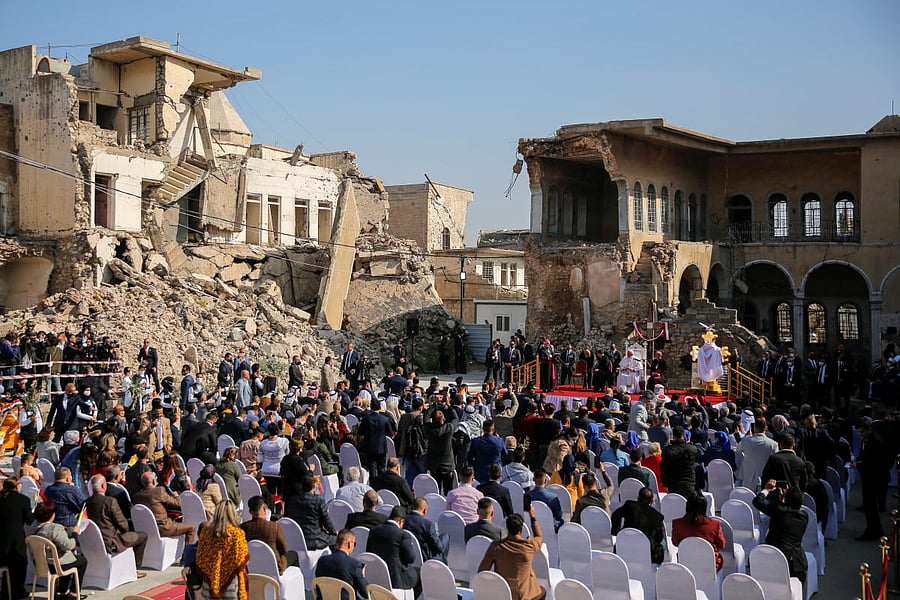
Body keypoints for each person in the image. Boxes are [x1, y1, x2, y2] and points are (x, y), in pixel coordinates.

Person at [478, 508, 545, 600]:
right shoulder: (530, 546)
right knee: (542, 591)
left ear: (507, 529)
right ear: (521, 529)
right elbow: (539, 536)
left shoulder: (495, 547)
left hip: (502, 593)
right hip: (524, 595)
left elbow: (482, 571)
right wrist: (532, 517)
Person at [86, 474, 148, 568]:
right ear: (103, 486)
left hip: (93, 541)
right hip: (112, 542)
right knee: (142, 536)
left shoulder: (86, 502)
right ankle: (135, 568)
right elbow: (123, 525)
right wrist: (126, 530)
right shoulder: (110, 501)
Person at [28, 501, 88, 599]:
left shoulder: (33, 527)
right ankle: (73, 592)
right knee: (81, 561)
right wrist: (75, 535)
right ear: (52, 515)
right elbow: (68, 546)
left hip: (41, 564)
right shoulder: (55, 529)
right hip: (55, 565)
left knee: (66, 557)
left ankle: (62, 591)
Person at [753, 480, 809, 583]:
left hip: (773, 560)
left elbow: (757, 501)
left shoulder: (778, 511)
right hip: (796, 564)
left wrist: (767, 489)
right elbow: (786, 511)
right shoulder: (804, 516)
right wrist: (783, 500)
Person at [196, 501, 249, 600]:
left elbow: (200, 558)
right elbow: (242, 560)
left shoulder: (205, 533)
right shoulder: (237, 534)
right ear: (233, 513)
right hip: (232, 583)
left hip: (209, 582)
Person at [367, 506, 420, 597]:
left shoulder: (374, 531)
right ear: (401, 521)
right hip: (398, 578)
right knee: (421, 574)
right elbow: (411, 558)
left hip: (378, 576)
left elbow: (369, 553)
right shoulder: (403, 535)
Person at [133, 470, 196, 544]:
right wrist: (176, 496)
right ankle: (188, 553)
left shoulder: (137, 497)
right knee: (192, 528)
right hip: (164, 528)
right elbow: (177, 503)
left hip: (148, 529)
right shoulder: (159, 491)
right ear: (154, 481)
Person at [854, 419, 892, 540]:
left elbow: (873, 463)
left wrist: (858, 465)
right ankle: (875, 529)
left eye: (861, 432)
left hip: (873, 477)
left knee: (871, 506)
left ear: (868, 429)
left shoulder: (875, 442)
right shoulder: (871, 439)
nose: (860, 435)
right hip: (871, 476)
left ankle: (873, 530)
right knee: (870, 507)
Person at [241, 495, 298, 573]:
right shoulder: (274, 527)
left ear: (250, 512)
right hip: (274, 567)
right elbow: (285, 549)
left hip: (252, 566)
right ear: (264, 509)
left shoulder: (243, 528)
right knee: (293, 554)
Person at [611, 487, 666, 564]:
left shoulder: (629, 505)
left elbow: (615, 515)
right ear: (652, 501)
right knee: (662, 544)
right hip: (645, 551)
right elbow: (659, 538)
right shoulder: (657, 516)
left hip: (625, 545)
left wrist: (617, 532)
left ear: (638, 497)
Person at [671, 494, 725, 571]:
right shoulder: (714, 525)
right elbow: (721, 544)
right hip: (709, 566)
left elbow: (675, 543)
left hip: (686, 564)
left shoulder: (677, 523)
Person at [0, 477, 34, 600]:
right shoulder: (22, 500)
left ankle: (5, 590)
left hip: (1, 540)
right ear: (17, 486)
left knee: (6, 568)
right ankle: (17, 591)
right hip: (15, 539)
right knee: (20, 565)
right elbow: (30, 520)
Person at [283, 474, 336, 550]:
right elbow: (327, 522)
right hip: (315, 539)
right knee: (337, 539)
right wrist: (334, 533)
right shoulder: (318, 501)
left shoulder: (291, 500)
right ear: (313, 487)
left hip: (296, 540)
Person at [315, 529, 369, 600]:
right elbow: (366, 593)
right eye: (354, 544)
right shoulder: (355, 564)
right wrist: (363, 576)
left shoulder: (322, 561)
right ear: (349, 544)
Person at [736, 419, 779, 491]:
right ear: (766, 428)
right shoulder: (773, 444)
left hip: (747, 477)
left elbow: (738, 450)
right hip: (764, 479)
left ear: (754, 428)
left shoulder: (746, 441)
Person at [404, 497, 449, 562]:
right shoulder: (427, 524)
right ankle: (442, 562)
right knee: (446, 536)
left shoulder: (403, 520)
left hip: (407, 554)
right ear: (425, 510)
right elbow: (438, 547)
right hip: (425, 558)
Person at [358, 401, 395, 478]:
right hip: (381, 447)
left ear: (371, 408)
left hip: (370, 446)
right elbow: (390, 433)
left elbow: (360, 432)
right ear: (380, 408)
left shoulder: (366, 419)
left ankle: (374, 485)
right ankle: (381, 485)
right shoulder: (385, 419)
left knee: (372, 468)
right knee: (381, 468)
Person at [661, 426, 699, 500]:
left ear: (673, 436)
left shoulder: (669, 450)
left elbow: (664, 468)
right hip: (689, 483)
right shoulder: (692, 449)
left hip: (674, 484)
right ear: (683, 435)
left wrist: (665, 484)